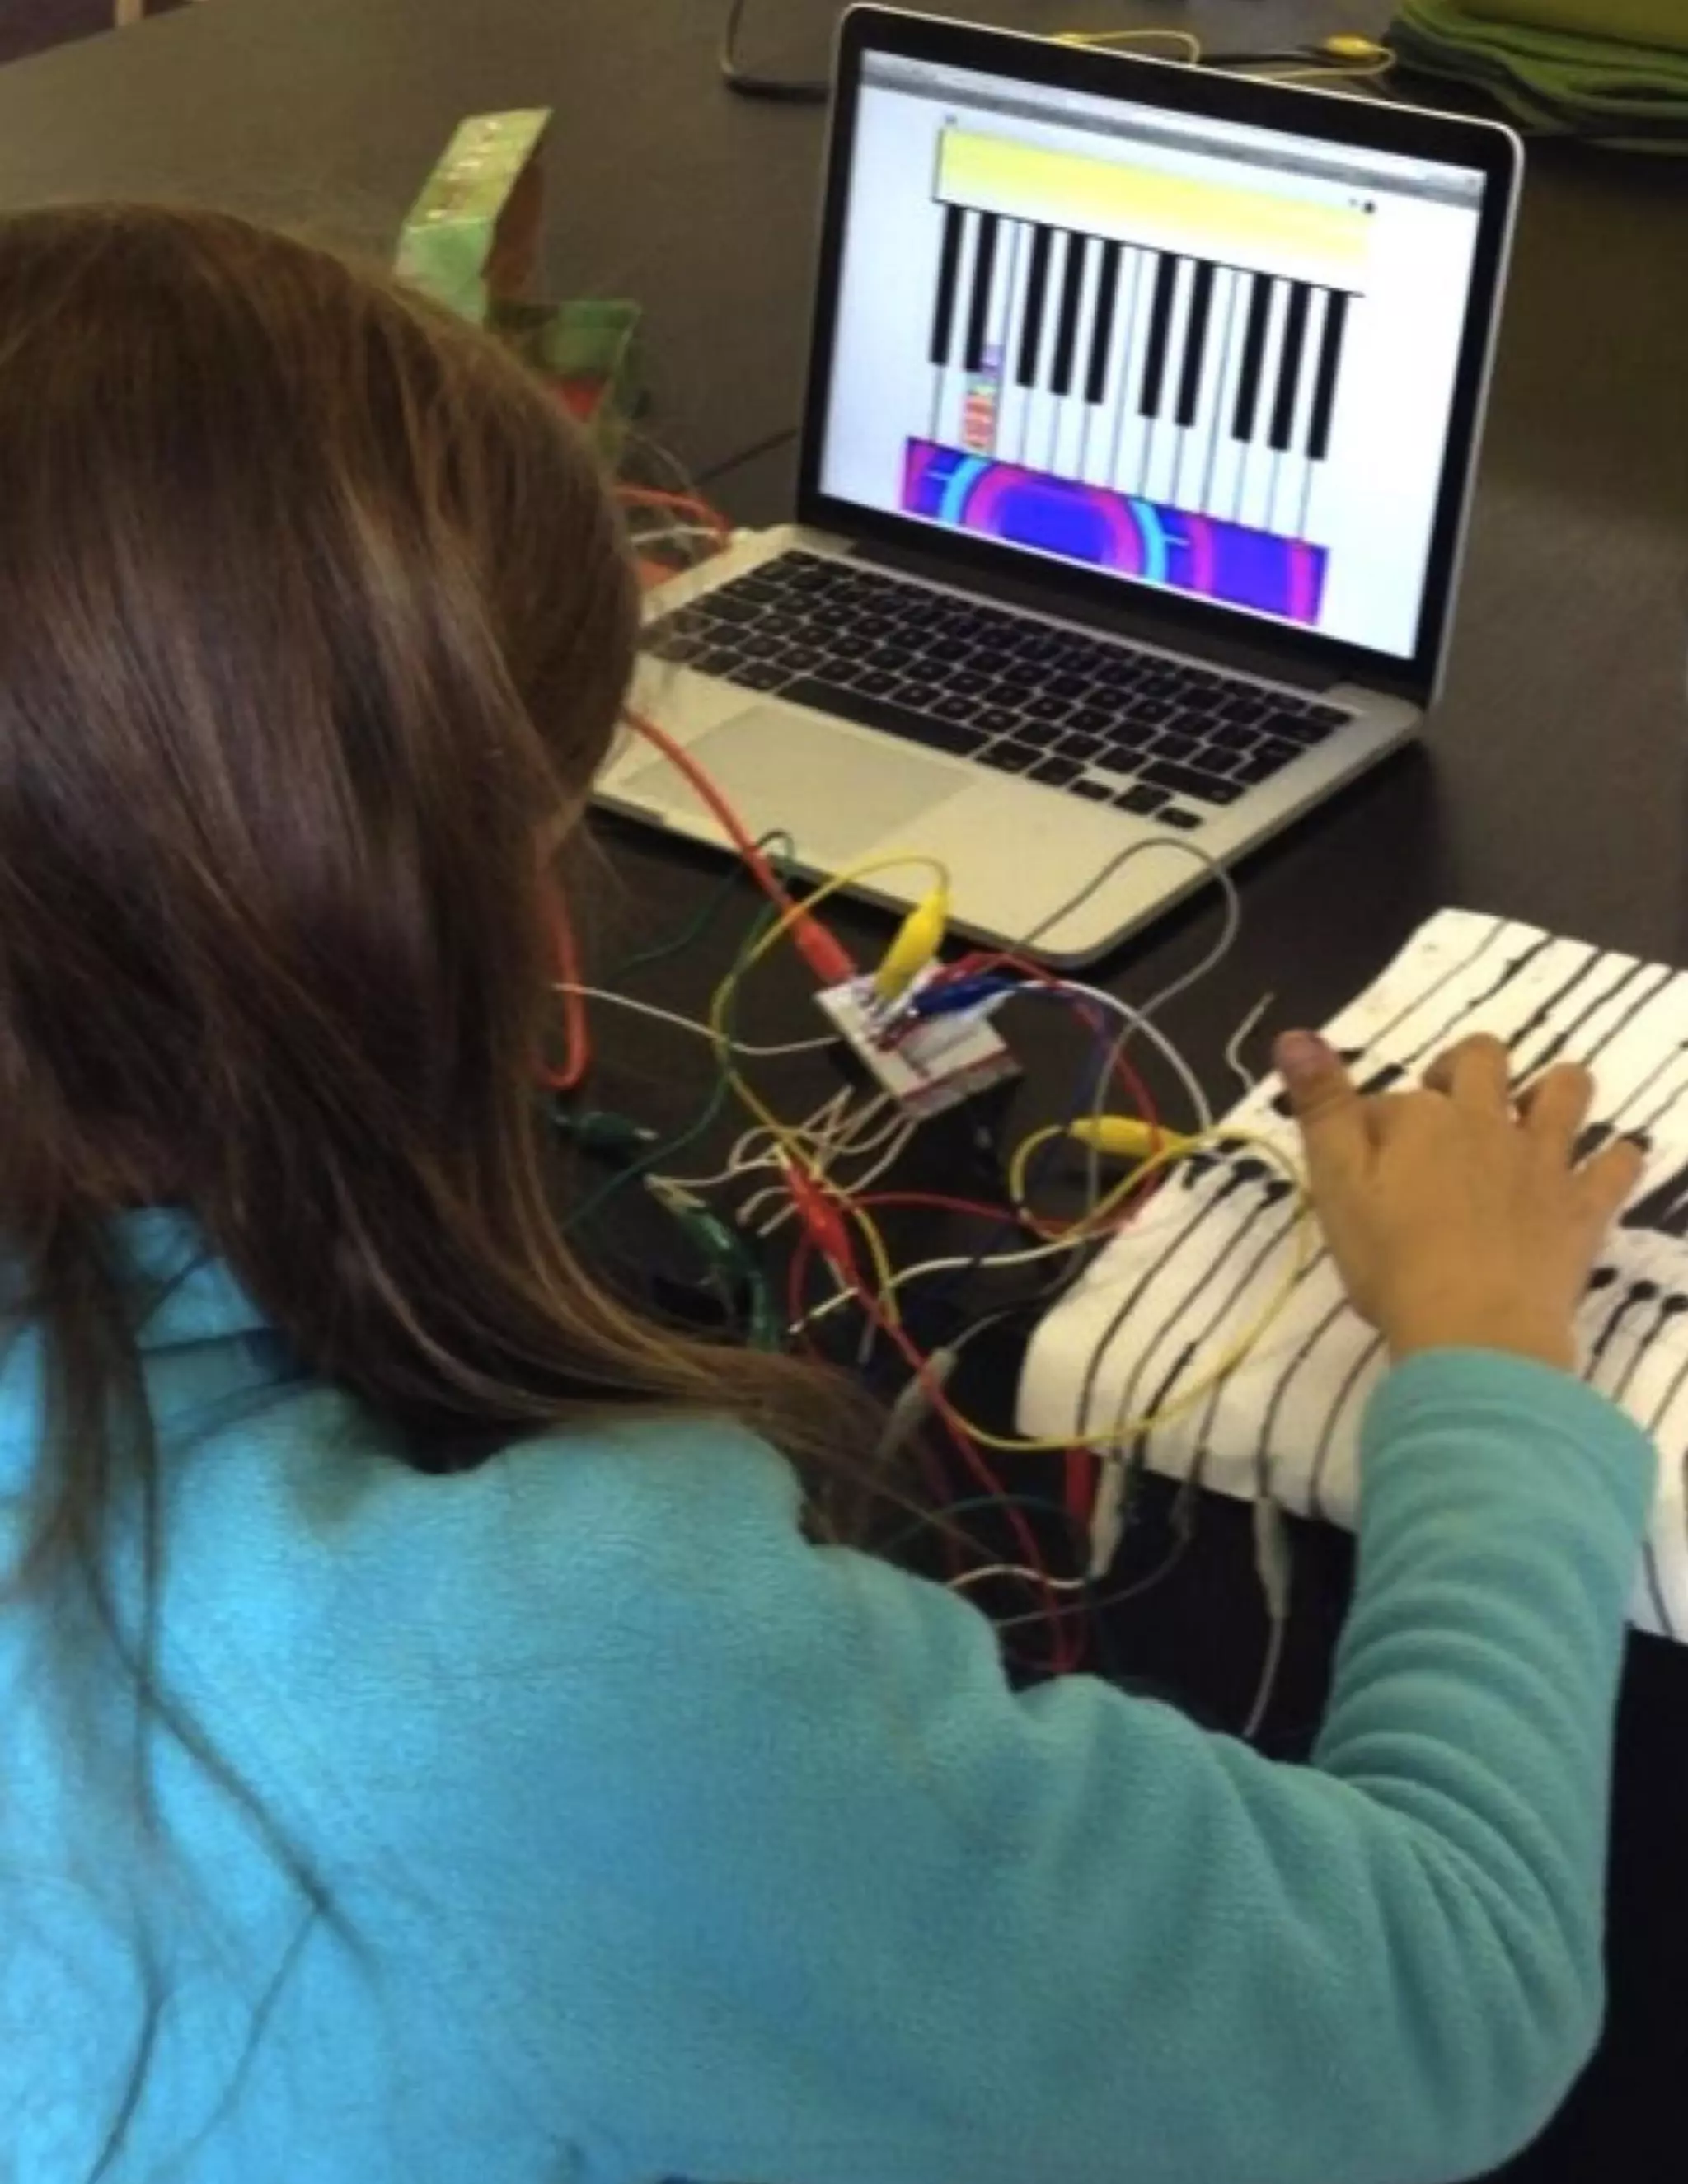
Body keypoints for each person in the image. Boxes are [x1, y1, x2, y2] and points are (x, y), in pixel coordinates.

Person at [0, 204, 1655, 2184]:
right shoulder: (523, 1683)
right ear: (386, 931)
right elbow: (1444, 1996)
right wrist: (1487, 1356)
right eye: (538, 837)